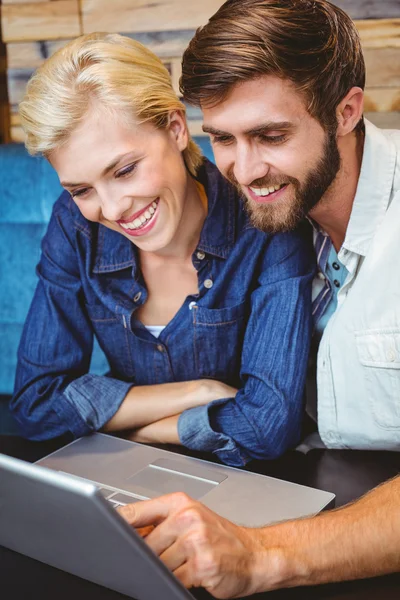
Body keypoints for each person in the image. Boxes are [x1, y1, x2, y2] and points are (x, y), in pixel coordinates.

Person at [119, 0, 400, 593]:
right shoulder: (261, 211)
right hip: (291, 494)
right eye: (221, 138)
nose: (244, 171)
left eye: (270, 135)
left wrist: (262, 553)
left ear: (346, 111)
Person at [11, 32, 315, 467]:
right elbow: (35, 406)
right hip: (128, 470)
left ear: (175, 128)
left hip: (251, 479)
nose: (113, 209)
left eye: (125, 170)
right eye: (81, 189)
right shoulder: (75, 223)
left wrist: (134, 427)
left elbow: (267, 428)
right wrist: (198, 393)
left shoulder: (264, 219)